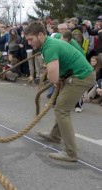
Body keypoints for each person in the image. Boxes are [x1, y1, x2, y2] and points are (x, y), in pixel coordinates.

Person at [24, 22, 95, 162]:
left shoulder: (50, 46)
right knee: (61, 107)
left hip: (81, 77)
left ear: (40, 35)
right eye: (27, 40)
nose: (28, 42)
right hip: (75, 75)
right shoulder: (48, 44)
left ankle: (71, 152)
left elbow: (54, 78)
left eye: (31, 39)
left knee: (62, 109)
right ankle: (55, 136)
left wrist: (50, 72)